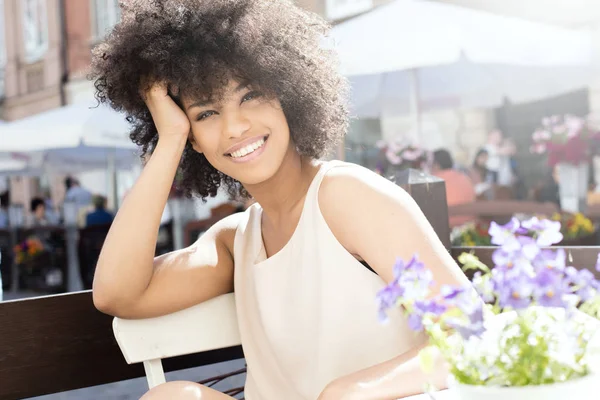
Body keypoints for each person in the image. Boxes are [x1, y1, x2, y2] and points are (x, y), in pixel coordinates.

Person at [90, 1, 469, 399]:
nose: (236, 126)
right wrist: (169, 139)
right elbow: (117, 294)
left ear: (288, 93)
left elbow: (468, 334)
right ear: (194, 141)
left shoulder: (348, 197)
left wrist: (347, 393)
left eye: (250, 95)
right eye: (206, 114)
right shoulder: (236, 242)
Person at [430, 149, 476, 228]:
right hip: (470, 224)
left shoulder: (433, 181)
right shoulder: (464, 177)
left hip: (447, 226)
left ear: (436, 165)